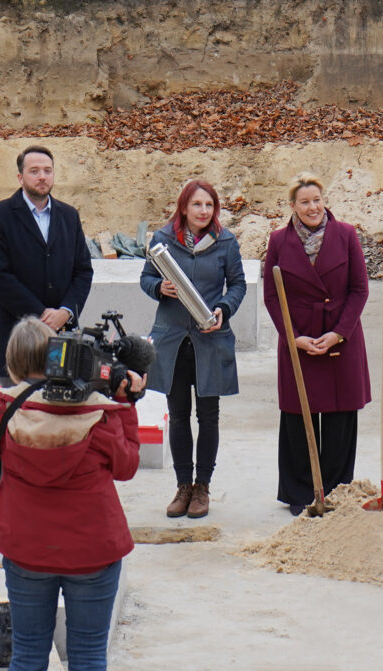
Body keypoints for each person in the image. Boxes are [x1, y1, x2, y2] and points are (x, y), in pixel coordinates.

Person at [0, 316, 145, 670]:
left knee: (27, 653)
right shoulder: (100, 417)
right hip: (92, 549)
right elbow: (127, 467)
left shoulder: (2, 410)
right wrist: (126, 402)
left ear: (13, 362)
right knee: (88, 655)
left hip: (26, 547)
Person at [263, 172, 371, 516]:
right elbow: (271, 295)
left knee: (340, 419)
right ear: (293, 206)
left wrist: (339, 332)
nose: (313, 207)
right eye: (305, 202)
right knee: (298, 417)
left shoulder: (346, 235)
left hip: (340, 338)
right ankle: (300, 491)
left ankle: (337, 490)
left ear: (324, 202)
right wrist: (293, 336)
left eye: (317, 200)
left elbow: (359, 289)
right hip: (300, 339)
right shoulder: (279, 240)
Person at [140, 179, 246, 518]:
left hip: (209, 338)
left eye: (209, 205)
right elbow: (145, 278)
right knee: (179, 416)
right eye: (197, 205)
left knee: (209, 416)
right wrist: (161, 288)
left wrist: (224, 308)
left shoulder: (225, 242)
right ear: (183, 207)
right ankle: (183, 485)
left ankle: (203, 487)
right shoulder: (163, 240)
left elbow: (239, 284)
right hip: (173, 340)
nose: (203, 211)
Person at [0, 145, 93, 386]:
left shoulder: (69, 216)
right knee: (21, 414)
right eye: (34, 171)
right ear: (20, 177)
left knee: (62, 413)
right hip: (18, 338)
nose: (42, 176)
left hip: (62, 336)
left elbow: (83, 270)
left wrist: (66, 311)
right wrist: (42, 316)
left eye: (47, 170)